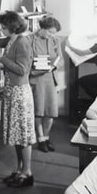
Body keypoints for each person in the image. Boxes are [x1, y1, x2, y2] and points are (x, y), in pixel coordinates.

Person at [0, 10, 36, 187]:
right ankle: (20, 169)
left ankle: (27, 172)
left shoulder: (22, 42)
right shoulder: (13, 39)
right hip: (12, 91)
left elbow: (22, 69)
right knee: (16, 134)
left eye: (3, 26)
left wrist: (1, 58)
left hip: (19, 93)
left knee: (22, 135)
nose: (1, 29)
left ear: (12, 27)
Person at [30, 16, 62, 152]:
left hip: (51, 77)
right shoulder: (30, 40)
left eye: (54, 32)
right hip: (37, 78)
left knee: (50, 111)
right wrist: (37, 68)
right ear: (41, 28)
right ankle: (41, 138)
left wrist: (54, 66)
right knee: (39, 111)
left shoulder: (55, 40)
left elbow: (60, 58)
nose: (51, 35)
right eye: (49, 32)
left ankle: (47, 137)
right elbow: (28, 60)